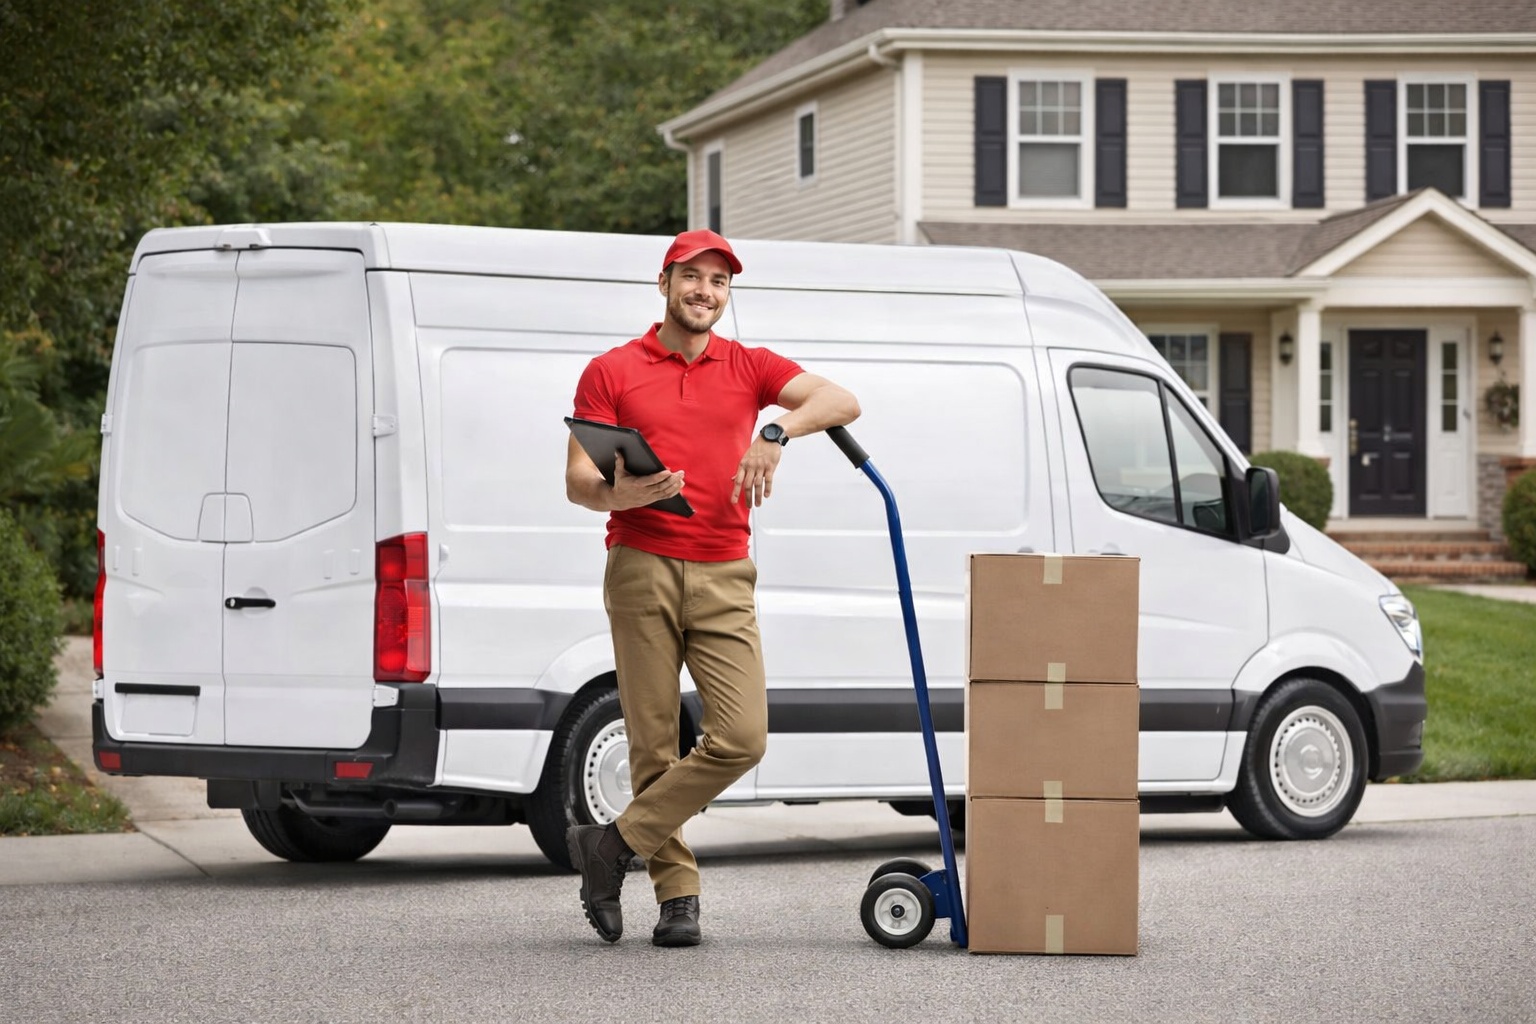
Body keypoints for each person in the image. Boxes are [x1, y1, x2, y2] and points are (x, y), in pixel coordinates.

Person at [564, 229, 860, 947]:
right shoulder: (612, 370)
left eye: (719, 281)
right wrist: (623, 495)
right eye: (692, 277)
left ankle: (611, 844)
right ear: (664, 283)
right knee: (652, 741)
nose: (705, 291)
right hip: (641, 563)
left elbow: (842, 399)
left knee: (741, 737)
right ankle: (678, 897)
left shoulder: (749, 366)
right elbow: (578, 481)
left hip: (726, 569)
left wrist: (777, 431)